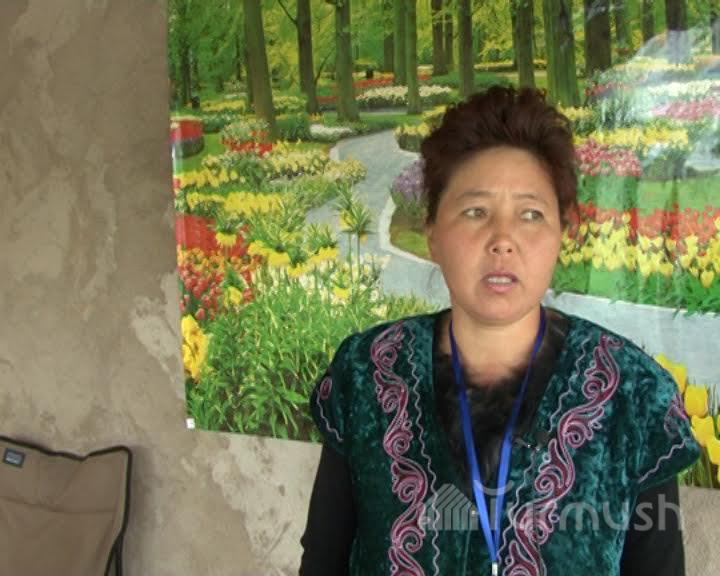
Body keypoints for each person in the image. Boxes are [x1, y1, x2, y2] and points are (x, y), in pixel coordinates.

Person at [299, 85, 700, 576]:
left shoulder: (632, 396)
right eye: (476, 212)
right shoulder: (366, 375)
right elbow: (322, 561)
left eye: (531, 214)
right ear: (432, 232)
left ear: (562, 234)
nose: (503, 240)